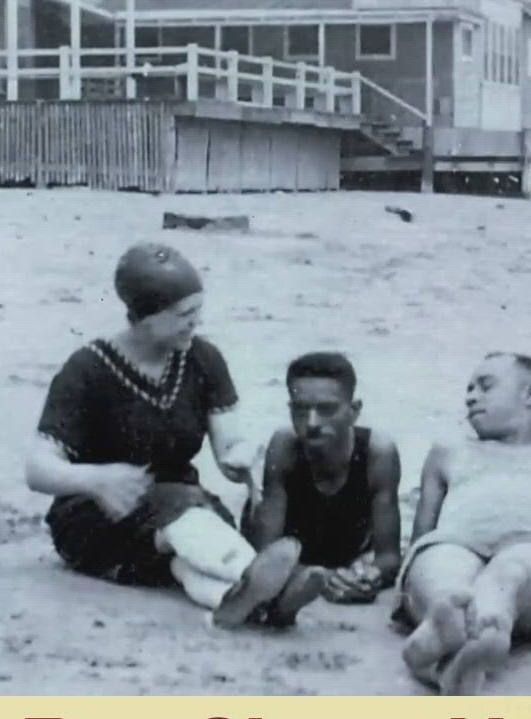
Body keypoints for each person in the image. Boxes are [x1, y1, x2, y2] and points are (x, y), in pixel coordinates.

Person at [24, 242, 328, 629]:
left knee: (183, 555)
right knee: (183, 516)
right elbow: (37, 468)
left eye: (197, 311)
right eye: (184, 314)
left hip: (181, 518)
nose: (194, 323)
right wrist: (97, 479)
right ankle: (264, 582)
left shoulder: (203, 359)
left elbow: (228, 443)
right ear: (145, 318)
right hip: (96, 521)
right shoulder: (87, 369)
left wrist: (241, 457)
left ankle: (239, 603)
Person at [398, 354, 531, 695]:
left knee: (515, 570)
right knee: (442, 563)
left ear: (530, 395)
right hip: (455, 541)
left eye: (485, 386)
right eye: (468, 389)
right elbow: (422, 541)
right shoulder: (449, 451)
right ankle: (453, 628)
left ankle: (477, 627)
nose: (470, 397)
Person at [244, 351, 404, 603]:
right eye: (300, 410)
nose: (312, 422)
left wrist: (368, 577)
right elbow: (266, 550)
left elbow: (389, 556)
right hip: (292, 556)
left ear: (354, 411)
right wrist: (320, 577)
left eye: (327, 410)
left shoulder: (377, 452)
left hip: (349, 556)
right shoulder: (284, 446)